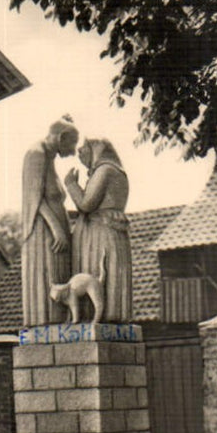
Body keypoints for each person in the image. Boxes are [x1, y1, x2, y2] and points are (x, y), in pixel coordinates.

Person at [65, 137, 131, 322]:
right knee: (107, 273)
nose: (81, 156)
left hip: (99, 232)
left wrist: (71, 184)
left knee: (98, 272)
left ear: (95, 150)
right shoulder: (117, 171)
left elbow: (86, 204)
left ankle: (100, 316)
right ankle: (110, 314)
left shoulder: (105, 171)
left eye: (83, 151)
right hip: (110, 229)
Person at [20, 116, 78, 326]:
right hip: (44, 233)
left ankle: (60, 320)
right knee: (49, 278)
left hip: (55, 230)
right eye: (72, 144)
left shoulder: (49, 157)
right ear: (61, 138)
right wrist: (57, 229)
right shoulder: (36, 154)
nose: (73, 151)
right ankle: (46, 323)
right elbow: (34, 198)